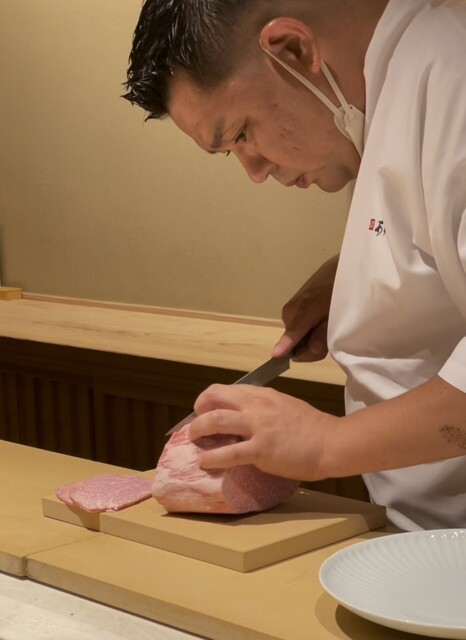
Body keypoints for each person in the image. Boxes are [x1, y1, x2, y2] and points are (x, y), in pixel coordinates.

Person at [124, 0, 466, 531]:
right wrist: (360, 274)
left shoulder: (452, 73)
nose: (256, 171)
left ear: (293, 49)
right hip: (423, 539)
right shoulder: (384, 92)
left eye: (241, 133)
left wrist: (328, 444)